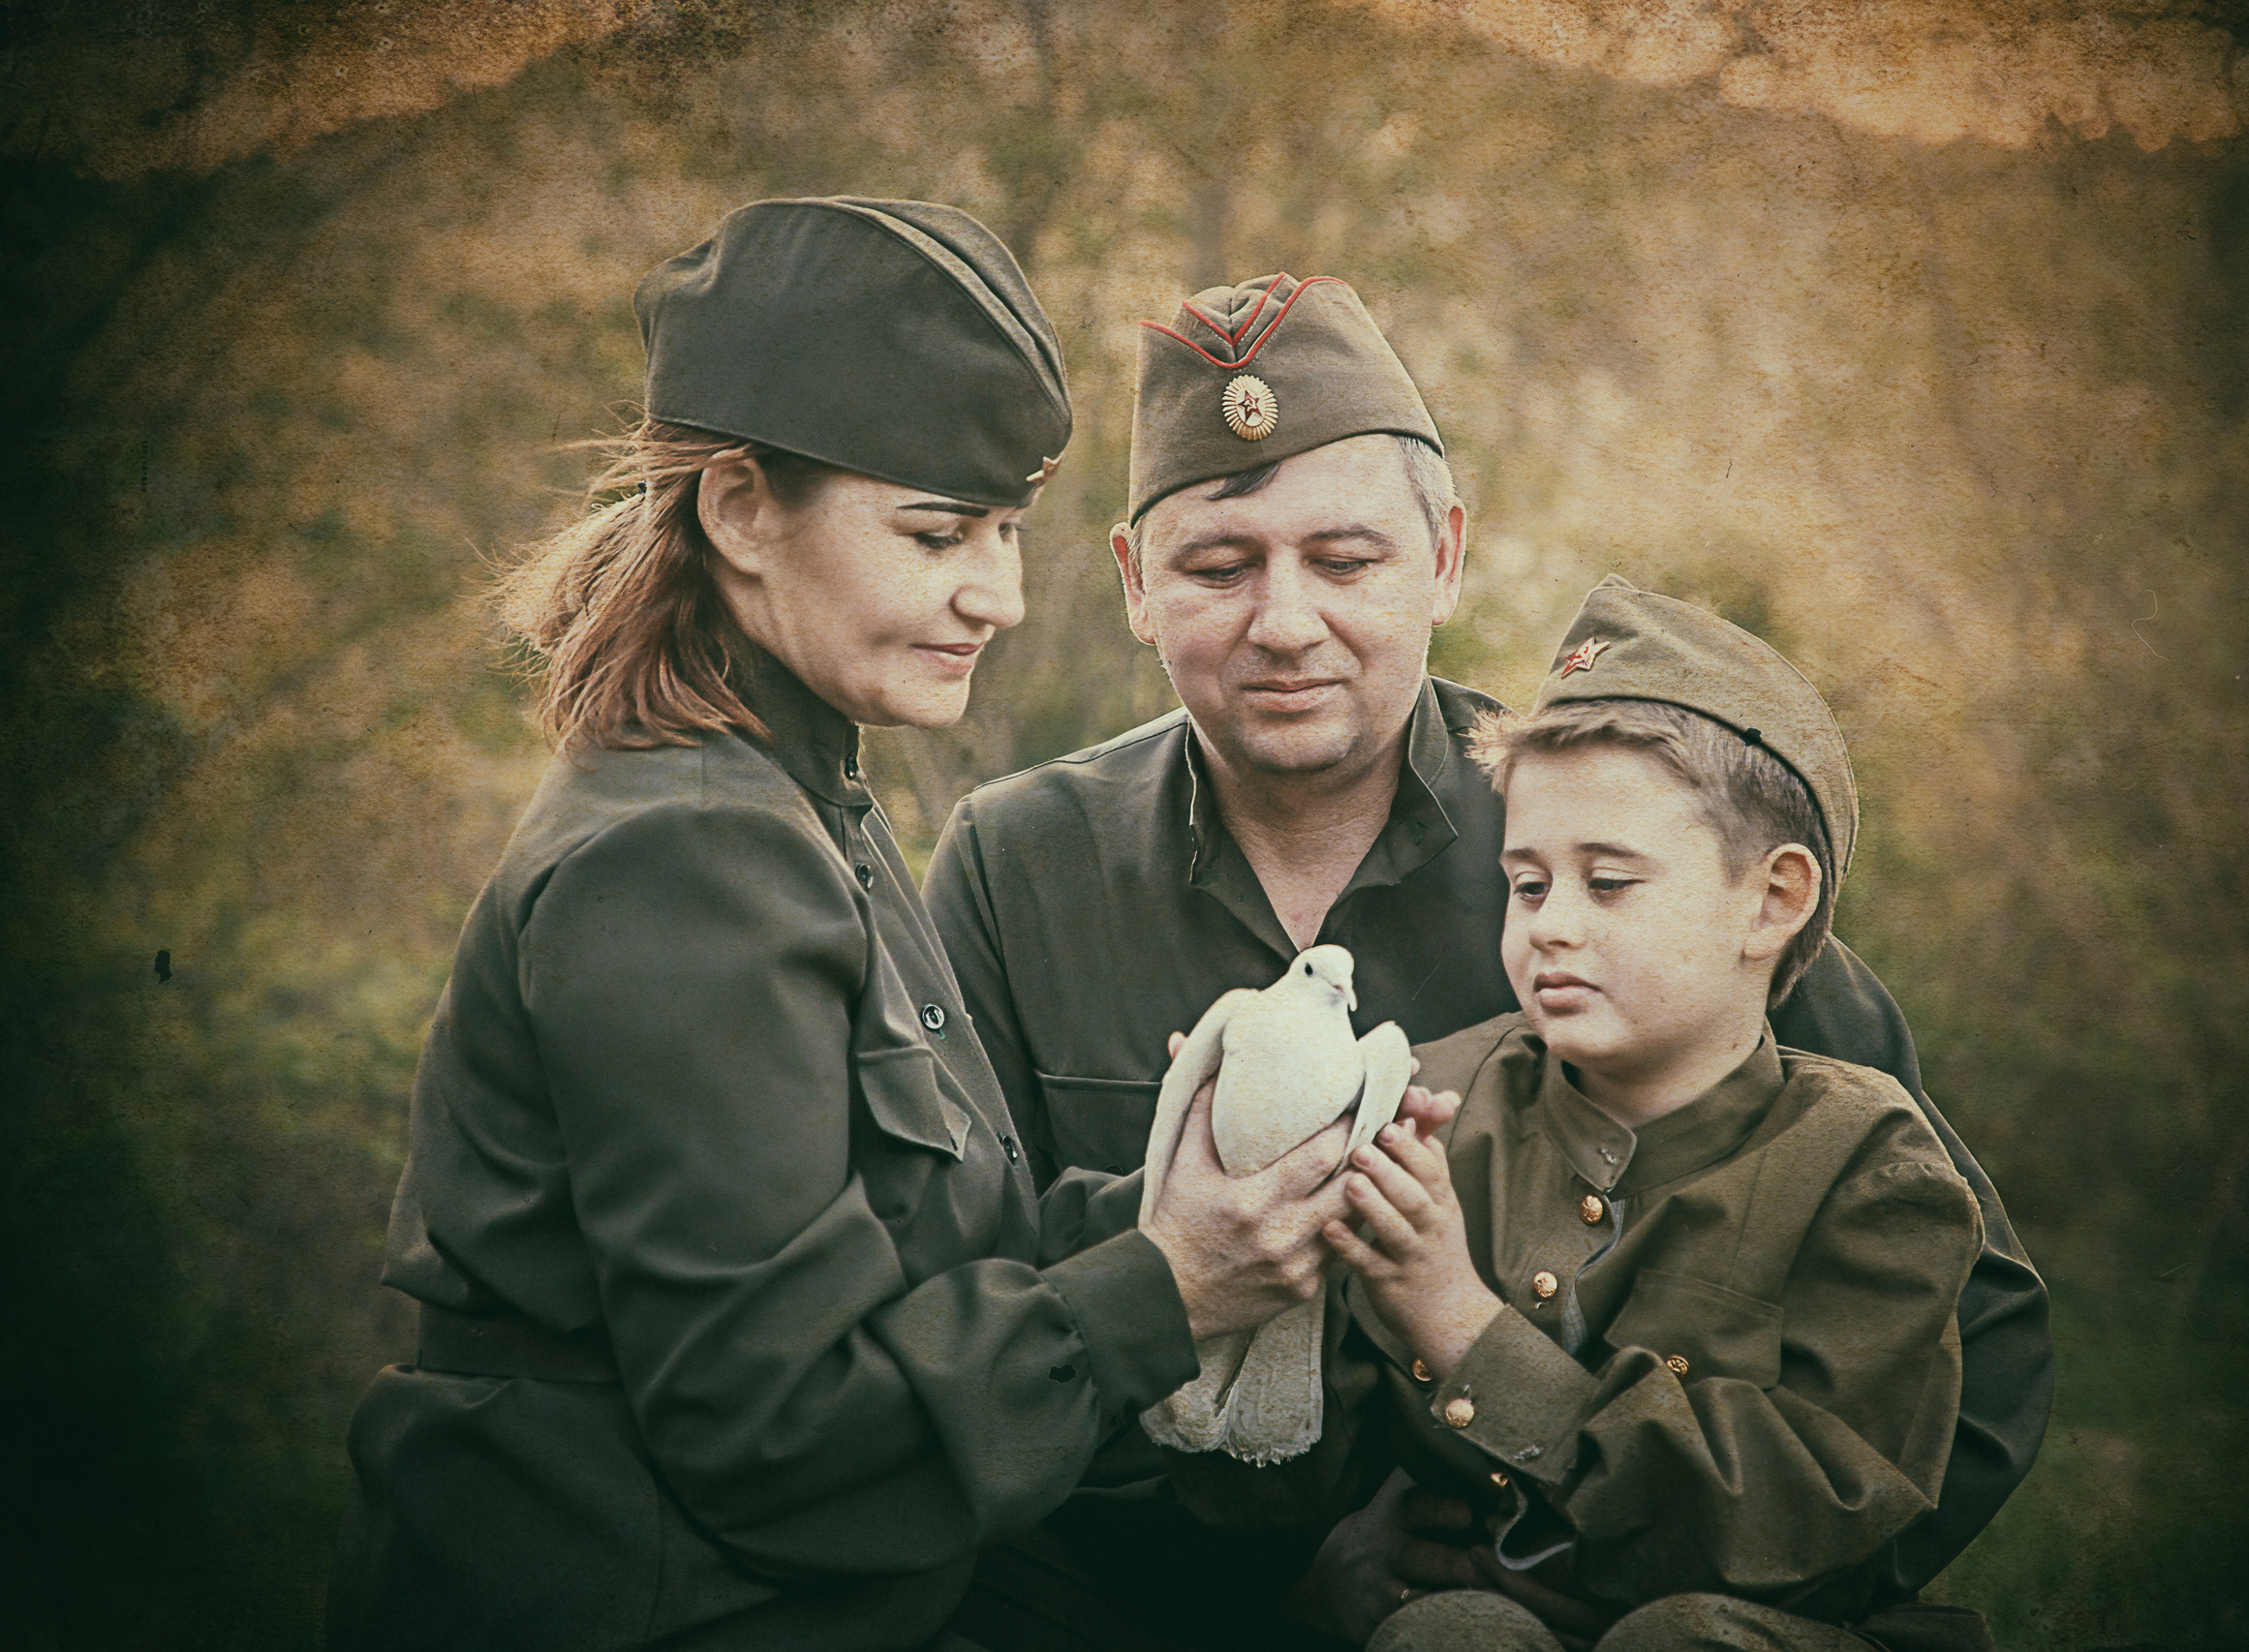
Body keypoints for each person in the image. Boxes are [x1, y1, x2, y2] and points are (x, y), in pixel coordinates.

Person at [922, 274, 2050, 1643]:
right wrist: (1288, 1597)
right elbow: (971, 1278)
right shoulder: (1016, 861)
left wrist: (1671, 1580)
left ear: (1447, 556)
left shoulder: (1606, 828)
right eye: (1220, 565)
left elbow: (1966, 1341)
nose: (1285, 621)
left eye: (1346, 560)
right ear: (1134, 585)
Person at [325, 199, 1375, 1652]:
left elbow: (936, 1248)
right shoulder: (685, 858)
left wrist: (1209, 1194)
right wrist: (1177, 1280)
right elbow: (785, 1442)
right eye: (938, 532)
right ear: (743, 508)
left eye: (1006, 532)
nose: (997, 594)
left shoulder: (800, 798)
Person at [1172, 574, 1996, 1652]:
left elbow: (1812, 1520)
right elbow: (1284, 1456)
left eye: (1607, 883)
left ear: (1773, 899)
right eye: (1525, 883)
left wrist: (1459, 1322)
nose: (1549, 925)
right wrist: (1260, 1162)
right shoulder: (1437, 1102)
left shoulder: (1866, 1165)